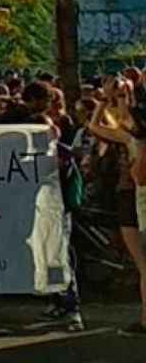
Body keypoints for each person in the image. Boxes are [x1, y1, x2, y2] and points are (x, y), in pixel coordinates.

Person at [86, 77, 146, 335]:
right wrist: (112, 99)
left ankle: (145, 320)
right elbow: (96, 126)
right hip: (130, 198)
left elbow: (95, 125)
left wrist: (108, 99)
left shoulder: (132, 141)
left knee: (144, 264)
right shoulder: (129, 137)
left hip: (134, 197)